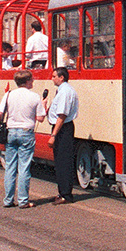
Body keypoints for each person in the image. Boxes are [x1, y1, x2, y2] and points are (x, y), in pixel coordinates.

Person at [0, 70, 45, 208]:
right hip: (26, 133)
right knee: (24, 168)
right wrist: (44, 106)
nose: (33, 82)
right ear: (27, 81)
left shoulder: (9, 94)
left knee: (10, 167)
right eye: (32, 80)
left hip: (11, 132)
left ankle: (8, 200)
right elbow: (40, 118)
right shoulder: (35, 97)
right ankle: (23, 201)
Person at [46, 66, 78, 203]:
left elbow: (62, 115)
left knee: (63, 161)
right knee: (60, 161)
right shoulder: (63, 90)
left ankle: (66, 194)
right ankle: (62, 192)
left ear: (61, 77)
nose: (52, 79)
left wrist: (53, 135)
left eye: (54, 76)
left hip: (63, 128)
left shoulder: (65, 92)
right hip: (62, 127)